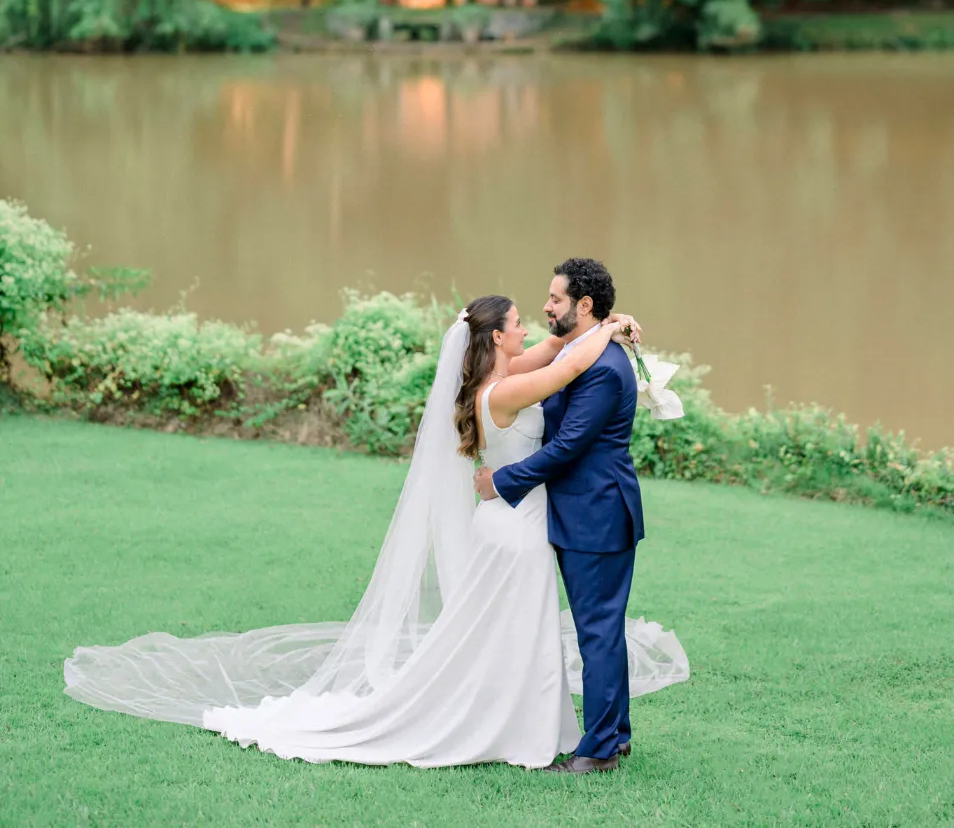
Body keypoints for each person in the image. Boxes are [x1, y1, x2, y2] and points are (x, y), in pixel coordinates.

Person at [64, 281, 688, 768]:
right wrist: (607, 331)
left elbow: (558, 350)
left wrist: (609, 325)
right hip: (510, 525)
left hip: (513, 523)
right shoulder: (501, 394)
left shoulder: (505, 376)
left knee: (512, 633)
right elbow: (568, 368)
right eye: (519, 322)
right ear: (496, 339)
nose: (531, 324)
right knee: (504, 631)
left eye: (542, 309)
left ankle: (532, 725)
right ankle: (510, 727)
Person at [476, 258, 648, 773]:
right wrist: (617, 325)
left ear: (584, 305)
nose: (546, 306)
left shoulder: (601, 367)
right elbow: (554, 363)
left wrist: (501, 482)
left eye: (554, 299)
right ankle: (614, 735)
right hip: (582, 511)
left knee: (597, 630)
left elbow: (570, 444)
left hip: (596, 512)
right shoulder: (581, 349)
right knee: (602, 628)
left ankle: (597, 752)